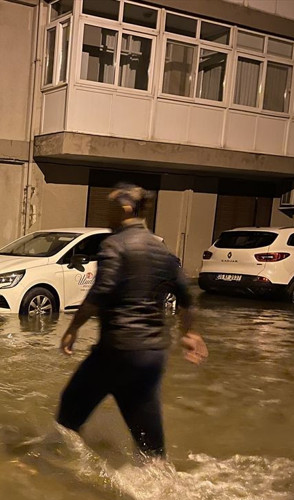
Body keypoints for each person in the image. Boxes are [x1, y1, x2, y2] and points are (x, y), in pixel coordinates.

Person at [56, 183, 208, 459]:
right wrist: (190, 332)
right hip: (152, 356)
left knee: (68, 414)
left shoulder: (115, 244)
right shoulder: (162, 250)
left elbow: (101, 290)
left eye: (109, 207)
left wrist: (73, 328)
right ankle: (162, 488)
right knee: (150, 445)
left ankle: (53, 469)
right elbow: (187, 298)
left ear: (125, 208)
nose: (105, 214)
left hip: (116, 351)